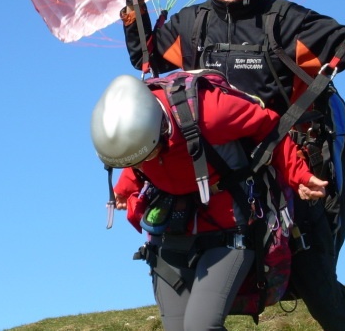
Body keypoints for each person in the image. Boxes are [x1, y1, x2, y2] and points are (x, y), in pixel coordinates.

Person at [112, 0, 345, 329]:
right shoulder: (190, 25)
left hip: (281, 176)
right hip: (214, 184)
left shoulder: (284, 21)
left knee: (319, 289)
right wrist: (132, 5)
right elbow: (147, 57)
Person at [91, 73, 327, 331]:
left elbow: (270, 130)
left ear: (159, 128)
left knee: (201, 327)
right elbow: (137, 164)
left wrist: (299, 175)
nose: (143, 162)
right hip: (172, 230)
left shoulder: (212, 112)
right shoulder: (136, 136)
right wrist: (125, 189)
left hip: (228, 229)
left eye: (147, 155)